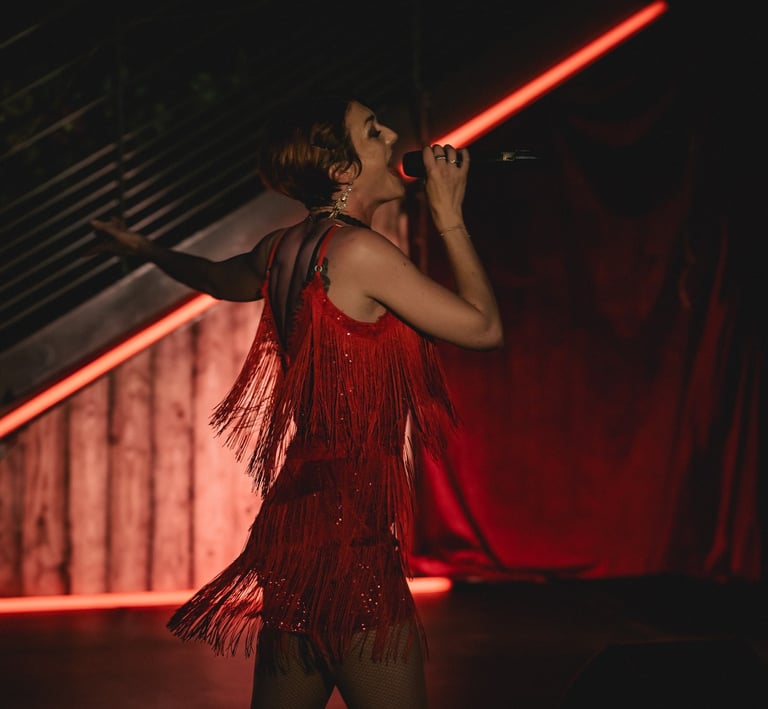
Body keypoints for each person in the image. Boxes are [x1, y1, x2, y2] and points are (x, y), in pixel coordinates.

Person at [89, 95, 503, 709]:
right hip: (350, 531)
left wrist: (147, 251)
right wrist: (448, 217)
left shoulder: (281, 247)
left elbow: (220, 278)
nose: (391, 135)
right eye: (371, 130)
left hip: (301, 518)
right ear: (340, 170)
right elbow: (483, 329)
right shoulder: (360, 253)